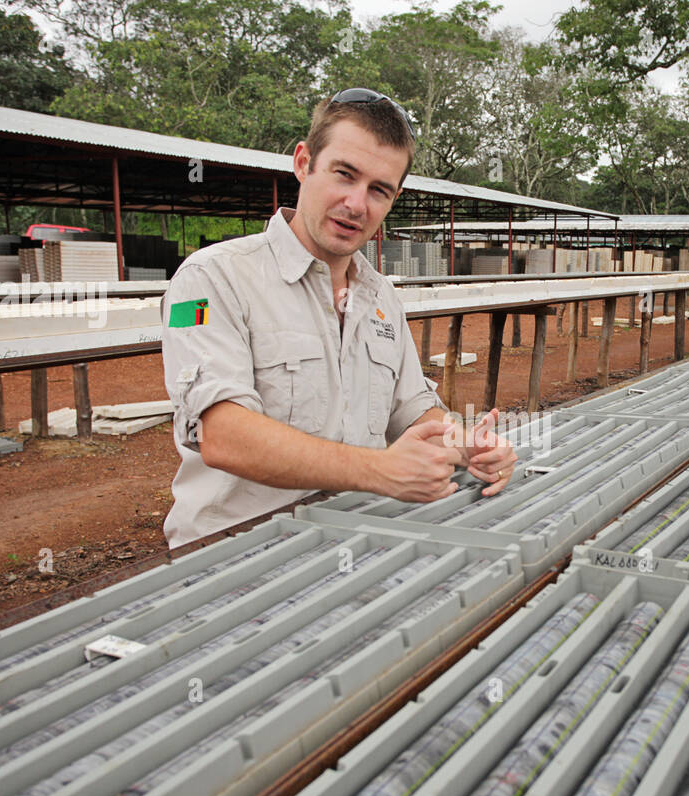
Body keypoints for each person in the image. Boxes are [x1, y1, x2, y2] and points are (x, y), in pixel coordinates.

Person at [160, 89, 516, 548]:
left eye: (378, 190)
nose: (356, 205)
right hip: (237, 549)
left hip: (351, 537)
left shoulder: (381, 295)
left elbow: (410, 411)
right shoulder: (211, 279)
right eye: (344, 175)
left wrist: (466, 445)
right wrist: (378, 470)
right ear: (304, 162)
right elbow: (223, 435)